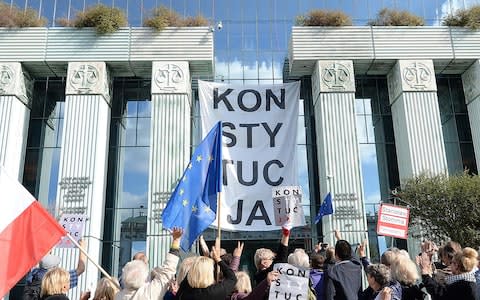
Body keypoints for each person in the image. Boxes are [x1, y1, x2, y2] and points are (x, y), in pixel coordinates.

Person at [114, 227, 183, 300]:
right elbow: (168, 271)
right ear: (144, 275)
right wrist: (176, 240)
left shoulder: (118, 296)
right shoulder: (149, 294)